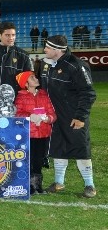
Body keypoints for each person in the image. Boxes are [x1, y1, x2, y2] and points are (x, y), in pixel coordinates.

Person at [40, 35, 97, 198]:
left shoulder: (77, 66)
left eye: (48, 48)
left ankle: (89, 185)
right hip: (55, 117)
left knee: (81, 149)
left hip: (74, 117)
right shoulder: (46, 64)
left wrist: (80, 117)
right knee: (58, 148)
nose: (44, 50)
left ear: (58, 50)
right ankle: (59, 182)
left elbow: (88, 93)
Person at [14, 71, 56, 194]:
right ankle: (30, 186)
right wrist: (30, 116)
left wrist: (49, 119)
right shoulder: (21, 96)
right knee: (30, 159)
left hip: (43, 133)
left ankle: (38, 185)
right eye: (32, 78)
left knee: (39, 160)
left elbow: (52, 113)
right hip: (29, 134)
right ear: (26, 84)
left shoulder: (44, 95)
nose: (36, 78)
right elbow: (17, 113)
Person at [0, 21, 33, 94]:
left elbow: (29, 80)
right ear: (0, 35)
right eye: (7, 35)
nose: (11, 38)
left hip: (15, 99)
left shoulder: (24, 56)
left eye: (13, 35)